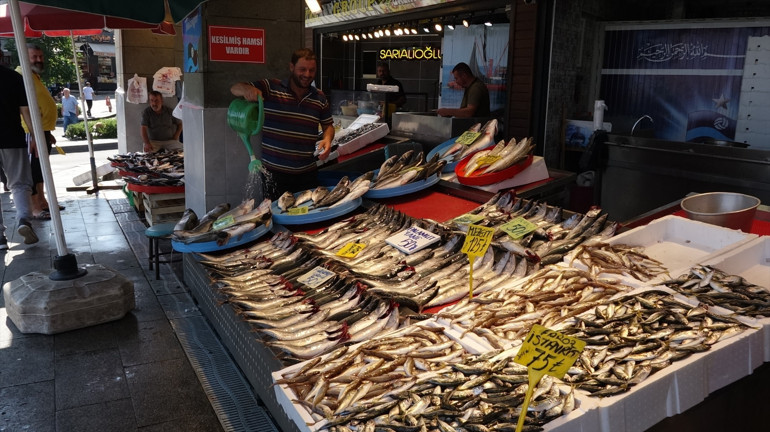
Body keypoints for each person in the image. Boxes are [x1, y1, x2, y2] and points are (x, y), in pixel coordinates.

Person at [230, 48, 334, 199]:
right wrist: (248, 89)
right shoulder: (271, 87)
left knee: (305, 216)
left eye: (312, 70)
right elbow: (234, 88)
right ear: (292, 67)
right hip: (274, 174)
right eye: (302, 69)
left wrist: (327, 139)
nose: (307, 74)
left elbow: (328, 125)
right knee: (276, 216)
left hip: (307, 174)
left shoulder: (319, 97)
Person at [1, 51, 39, 246]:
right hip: (11, 139)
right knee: (20, 183)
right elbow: (26, 112)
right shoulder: (15, 78)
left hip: (11, 139)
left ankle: (0, 236)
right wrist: (35, 137)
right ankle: (24, 219)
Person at [20, 44, 59, 221]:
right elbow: (25, 109)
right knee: (33, 170)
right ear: (24, 56)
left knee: (41, 168)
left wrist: (46, 131)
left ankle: (42, 202)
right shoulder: (21, 76)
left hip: (41, 130)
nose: (39, 60)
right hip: (31, 132)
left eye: (40, 56)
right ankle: (34, 207)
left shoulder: (33, 76)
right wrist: (34, 134)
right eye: (34, 57)